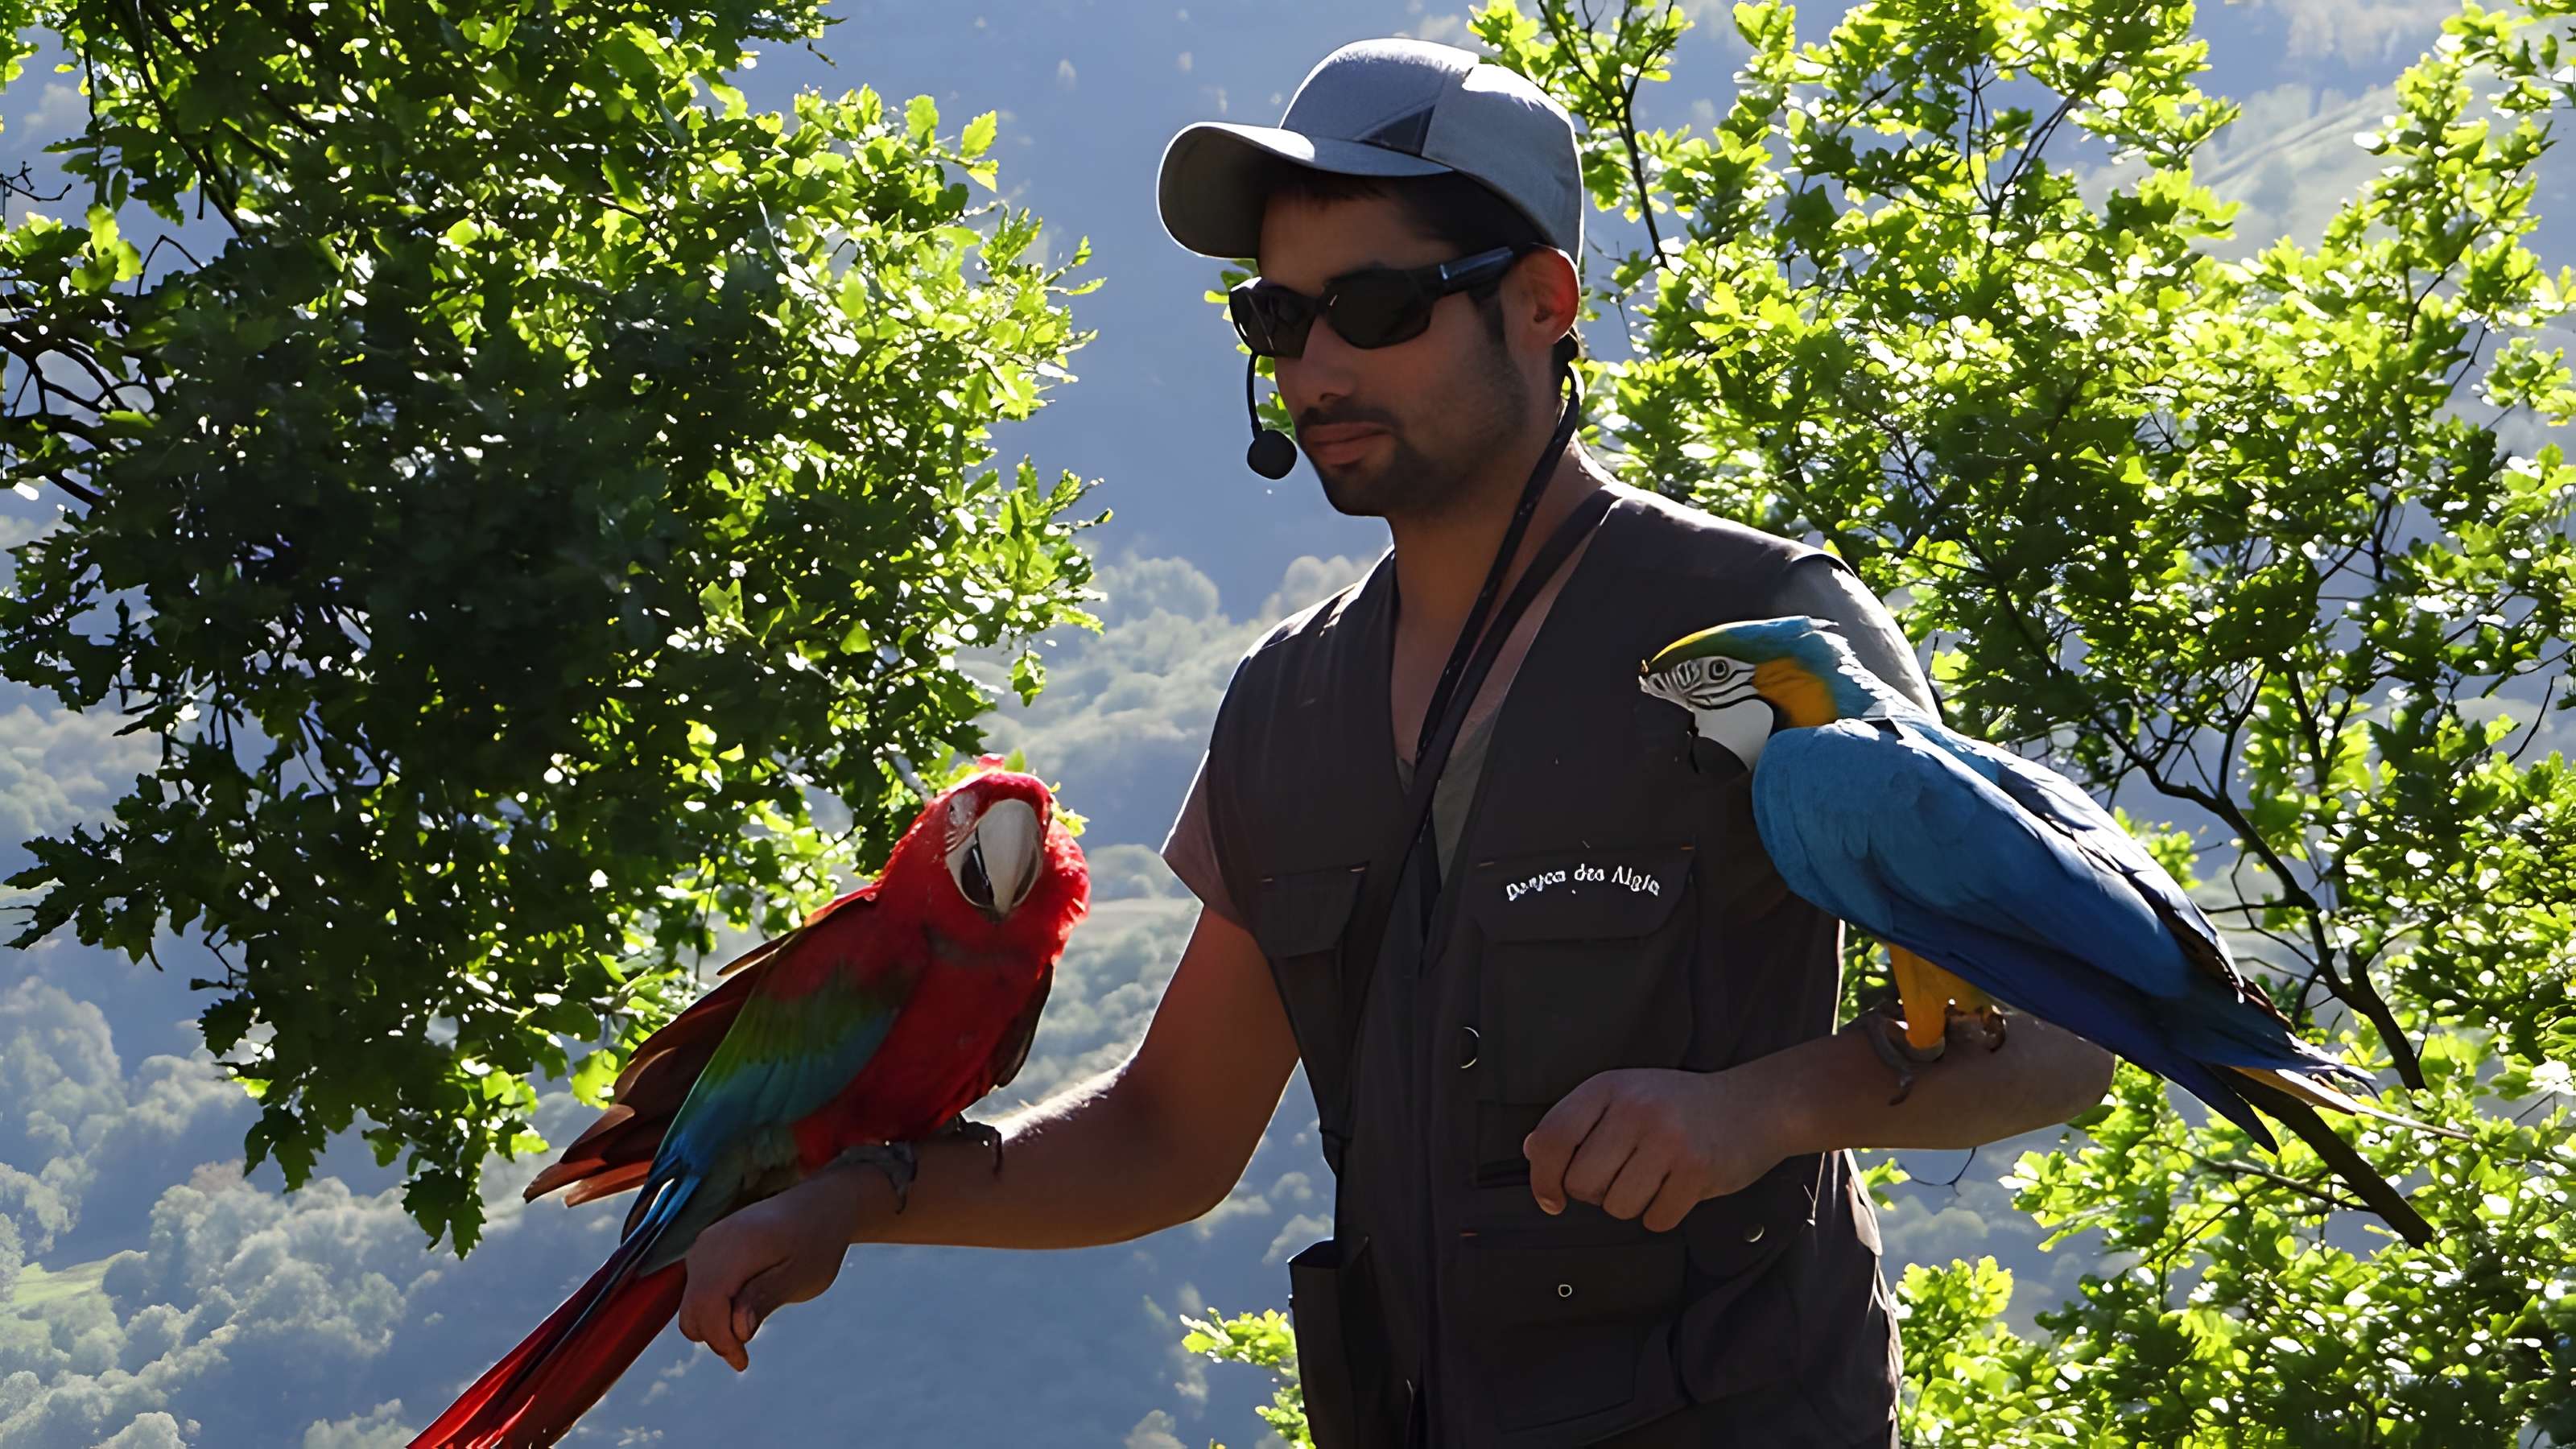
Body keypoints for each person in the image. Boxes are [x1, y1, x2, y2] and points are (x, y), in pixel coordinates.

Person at [676, 38, 2114, 1447]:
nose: (1315, 366)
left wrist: (1763, 1108)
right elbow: (1167, 1139)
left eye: (1375, 306)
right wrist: (858, 1200)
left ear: (1546, 302)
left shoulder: (1763, 627)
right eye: (1276, 319)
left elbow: (2056, 1041)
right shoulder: (1285, 708)